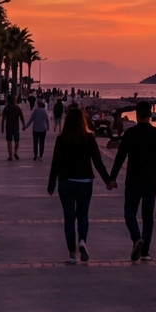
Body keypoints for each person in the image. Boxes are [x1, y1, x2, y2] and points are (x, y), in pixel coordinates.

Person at [107, 101, 156, 262]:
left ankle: (137, 238)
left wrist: (112, 178)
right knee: (148, 216)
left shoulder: (130, 134)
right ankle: (145, 251)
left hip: (134, 179)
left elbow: (120, 157)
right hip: (151, 179)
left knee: (129, 214)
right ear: (150, 114)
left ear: (137, 114)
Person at [47, 105, 110, 263]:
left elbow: (55, 163)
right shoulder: (89, 138)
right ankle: (82, 241)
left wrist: (51, 183)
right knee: (83, 214)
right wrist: (108, 180)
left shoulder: (61, 139)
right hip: (84, 181)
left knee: (69, 218)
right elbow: (97, 162)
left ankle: (72, 254)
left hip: (66, 181)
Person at [1, 94, 27, 161]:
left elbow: (3, 118)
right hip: (16, 126)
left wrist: (2, 128)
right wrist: (24, 125)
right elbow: (21, 117)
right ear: (14, 100)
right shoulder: (17, 108)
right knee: (16, 140)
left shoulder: (6, 108)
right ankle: (15, 152)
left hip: (8, 126)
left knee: (9, 141)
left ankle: (10, 156)